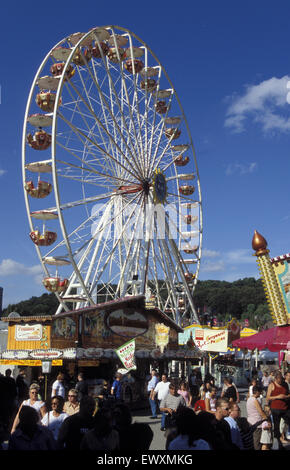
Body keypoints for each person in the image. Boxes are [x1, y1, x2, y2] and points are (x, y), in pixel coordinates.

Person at [266, 370, 290, 449]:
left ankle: (284, 436)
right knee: (276, 427)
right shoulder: (271, 385)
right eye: (278, 379)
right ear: (275, 378)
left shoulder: (285, 384)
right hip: (275, 409)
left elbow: (288, 394)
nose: (280, 381)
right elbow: (268, 397)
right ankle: (279, 444)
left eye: (281, 379)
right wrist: (277, 397)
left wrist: (285, 397)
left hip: (285, 408)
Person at [247, 385, 267, 450]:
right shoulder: (255, 400)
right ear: (257, 392)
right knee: (257, 442)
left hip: (250, 421)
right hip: (257, 423)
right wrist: (267, 419)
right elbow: (261, 412)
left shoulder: (249, 399)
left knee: (253, 441)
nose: (261, 393)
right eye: (260, 392)